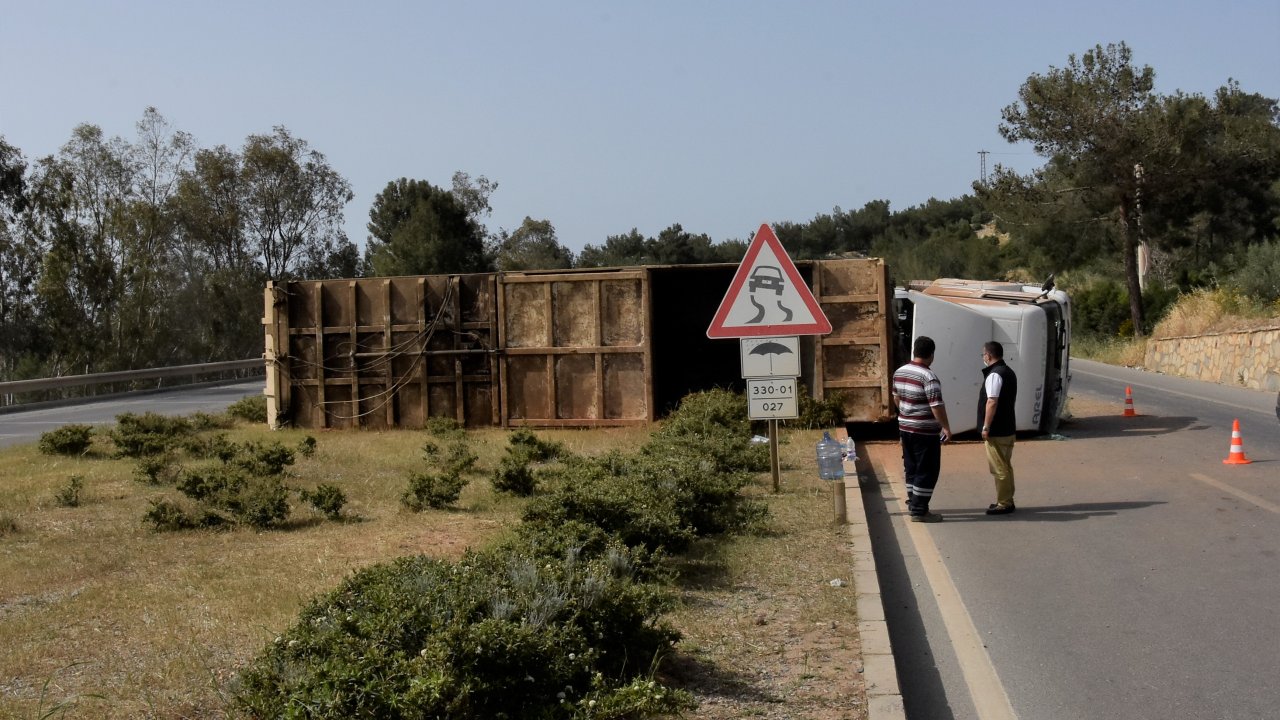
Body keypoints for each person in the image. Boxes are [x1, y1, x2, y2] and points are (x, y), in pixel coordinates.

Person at [891, 336, 952, 522]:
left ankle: (913, 501)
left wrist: (906, 413)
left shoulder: (900, 372)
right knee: (927, 469)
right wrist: (946, 428)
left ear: (914, 351)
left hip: (905, 427)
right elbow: (936, 406)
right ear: (931, 355)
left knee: (911, 467)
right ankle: (919, 510)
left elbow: (896, 397)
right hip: (924, 431)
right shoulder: (929, 377)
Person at [979, 341, 1018, 515]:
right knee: (1006, 466)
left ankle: (1004, 503)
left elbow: (992, 401)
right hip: (1008, 428)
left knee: (999, 468)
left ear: (988, 355)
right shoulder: (1009, 372)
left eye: (983, 354)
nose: (983, 357)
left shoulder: (995, 375)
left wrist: (986, 426)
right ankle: (1007, 499)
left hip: (997, 430)